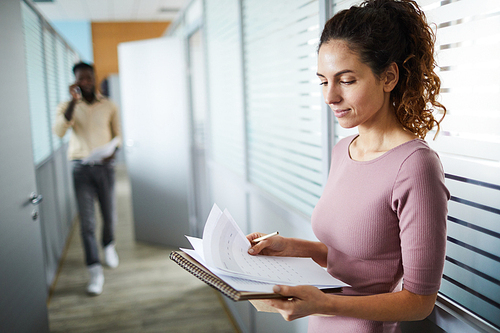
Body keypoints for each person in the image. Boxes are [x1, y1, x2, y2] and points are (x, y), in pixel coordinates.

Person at [247, 0, 450, 331]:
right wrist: (290, 247)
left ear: (388, 77)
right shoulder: (344, 150)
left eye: (347, 80)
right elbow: (358, 257)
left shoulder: (416, 166)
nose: (330, 96)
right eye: (323, 81)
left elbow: (419, 301)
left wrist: (324, 302)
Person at [54, 62, 121, 296]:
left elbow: (118, 135)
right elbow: (60, 131)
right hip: (81, 169)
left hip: (105, 168)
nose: (85, 82)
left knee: (109, 215)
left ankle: (109, 246)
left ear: (94, 78)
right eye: (80, 79)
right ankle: (94, 271)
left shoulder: (109, 105)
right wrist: (73, 101)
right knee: (87, 223)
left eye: (88, 78)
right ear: (75, 81)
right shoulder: (67, 106)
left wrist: (113, 151)